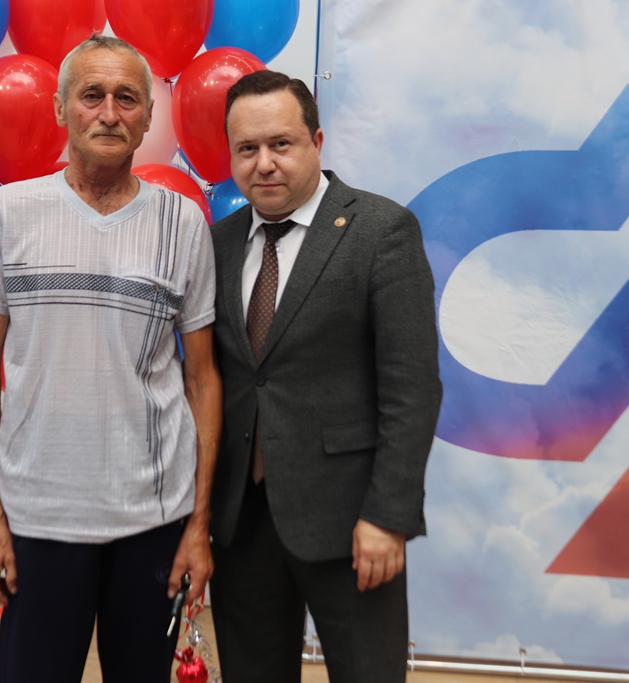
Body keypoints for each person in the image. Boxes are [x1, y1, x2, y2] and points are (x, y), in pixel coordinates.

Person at [0, 35, 221, 683]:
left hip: (154, 520)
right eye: (91, 95)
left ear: (148, 116)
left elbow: (203, 379)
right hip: (39, 518)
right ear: (59, 108)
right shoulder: (9, 213)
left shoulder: (183, 223)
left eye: (127, 98)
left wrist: (198, 526)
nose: (109, 113)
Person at [208, 70, 443, 683]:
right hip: (241, 522)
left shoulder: (381, 231)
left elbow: (412, 389)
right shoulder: (219, 243)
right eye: (247, 148)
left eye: (281, 144)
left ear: (316, 141)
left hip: (352, 524)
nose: (264, 163)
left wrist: (389, 516)